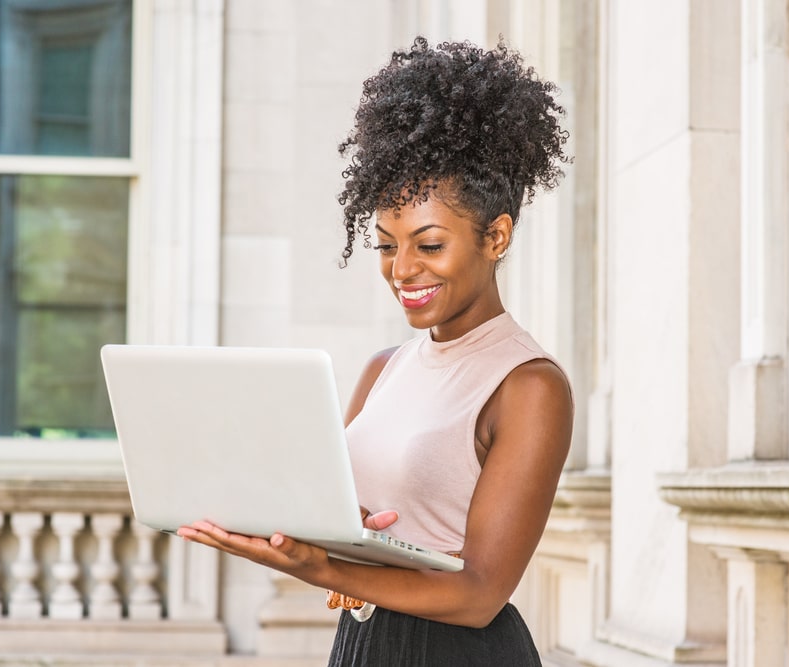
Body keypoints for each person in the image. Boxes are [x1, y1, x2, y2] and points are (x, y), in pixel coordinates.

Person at [178, 36, 573, 666]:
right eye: (386, 245)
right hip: (365, 642)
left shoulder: (529, 385)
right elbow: (343, 521)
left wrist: (323, 569)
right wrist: (283, 519)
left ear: (495, 236)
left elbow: (478, 595)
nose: (403, 269)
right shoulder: (383, 369)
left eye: (429, 244)